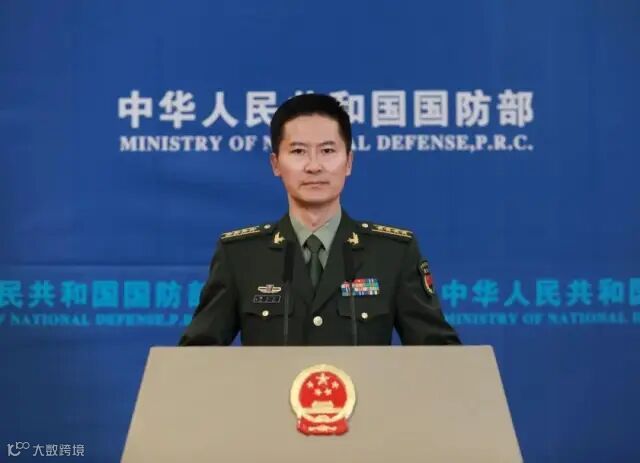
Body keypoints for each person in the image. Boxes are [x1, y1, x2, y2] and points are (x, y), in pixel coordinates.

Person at [179, 94, 460, 346]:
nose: (314, 166)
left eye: (327, 151)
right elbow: (196, 357)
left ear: (348, 162)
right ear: (276, 164)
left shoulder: (392, 253)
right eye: (298, 151)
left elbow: (440, 356)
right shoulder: (241, 255)